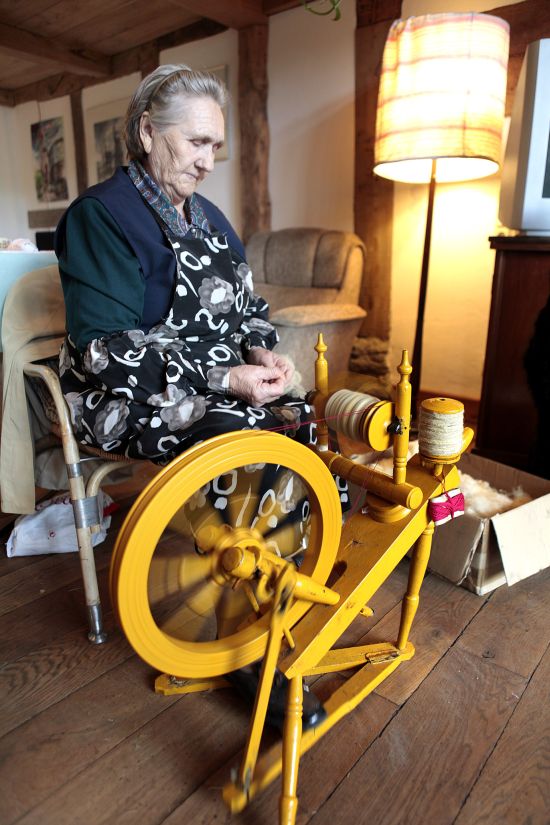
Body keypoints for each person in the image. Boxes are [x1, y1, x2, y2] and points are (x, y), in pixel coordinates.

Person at [55, 64, 337, 729]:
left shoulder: (210, 219)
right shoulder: (100, 217)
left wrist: (262, 351)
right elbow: (103, 351)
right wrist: (223, 378)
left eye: (216, 146)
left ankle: (279, 575)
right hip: (122, 394)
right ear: (147, 133)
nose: (209, 161)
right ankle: (239, 632)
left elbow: (248, 308)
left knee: (296, 418)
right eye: (197, 142)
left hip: (208, 380)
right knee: (238, 434)